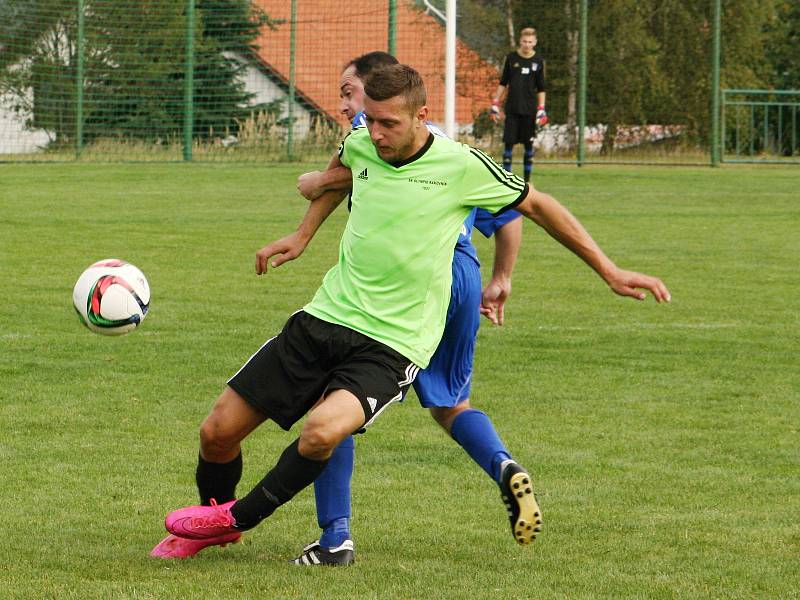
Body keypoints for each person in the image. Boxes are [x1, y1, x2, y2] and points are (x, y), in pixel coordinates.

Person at [151, 64, 670, 564]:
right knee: (217, 432)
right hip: (325, 317)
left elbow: (539, 206)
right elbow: (342, 178)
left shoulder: (460, 165)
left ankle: (236, 519)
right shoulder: (360, 142)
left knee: (322, 432)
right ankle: (214, 521)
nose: (374, 132)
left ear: (422, 115)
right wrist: (302, 234)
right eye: (370, 119)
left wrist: (609, 270)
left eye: (388, 123)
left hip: (393, 343)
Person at [286, 51, 526, 566]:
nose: (348, 105)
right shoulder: (439, 144)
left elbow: (350, 175)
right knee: (450, 404)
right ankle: (503, 465)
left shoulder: (377, 134)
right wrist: (501, 278)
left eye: (350, 91)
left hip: (419, 283)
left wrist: (319, 181)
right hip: (465, 274)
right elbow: (510, 214)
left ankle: (336, 537)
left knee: (334, 405)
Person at [490, 27, 547, 183]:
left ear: (535, 43)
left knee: (528, 146)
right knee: (508, 144)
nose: (527, 45)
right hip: (512, 108)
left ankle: (527, 181)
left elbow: (541, 88)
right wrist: (495, 103)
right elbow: (503, 83)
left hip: (529, 110)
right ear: (520, 42)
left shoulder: (539, 61)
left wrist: (542, 108)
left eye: (530, 42)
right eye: (524, 41)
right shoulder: (511, 58)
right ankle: (507, 180)